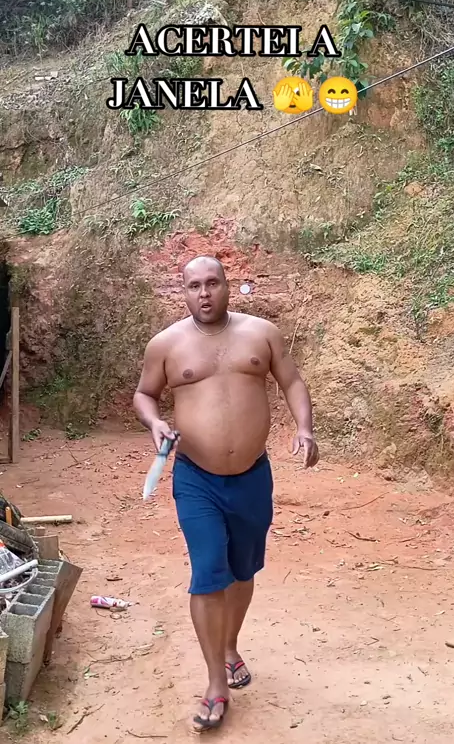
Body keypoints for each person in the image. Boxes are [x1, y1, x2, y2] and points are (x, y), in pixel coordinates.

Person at [133, 256, 319, 733]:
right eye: (194, 285)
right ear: (183, 291)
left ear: (226, 285)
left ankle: (230, 644)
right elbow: (145, 394)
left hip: (252, 477)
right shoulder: (166, 344)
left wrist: (305, 428)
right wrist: (155, 422)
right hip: (196, 478)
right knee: (208, 572)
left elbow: (292, 380)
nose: (204, 293)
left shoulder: (261, 333)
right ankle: (216, 682)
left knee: (242, 571)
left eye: (212, 283)